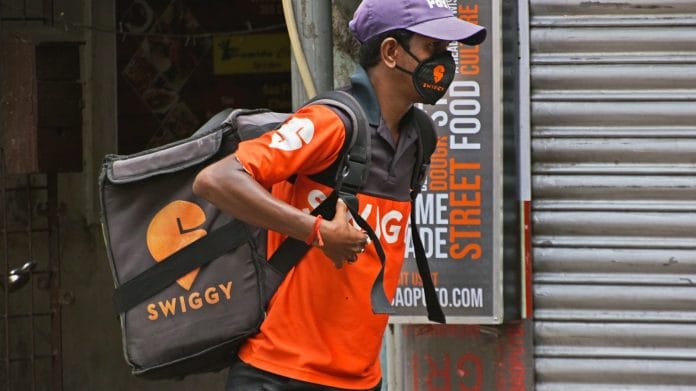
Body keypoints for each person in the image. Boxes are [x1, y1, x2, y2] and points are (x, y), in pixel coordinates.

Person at [192, 0, 486, 389]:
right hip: (278, 373)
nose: (445, 63)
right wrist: (317, 231)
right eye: (433, 48)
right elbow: (216, 179)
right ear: (391, 52)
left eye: (447, 51)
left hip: (361, 379)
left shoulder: (420, 138)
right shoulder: (331, 123)